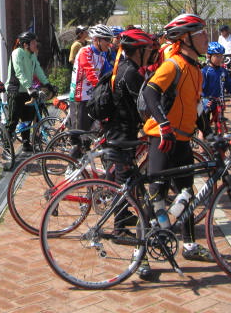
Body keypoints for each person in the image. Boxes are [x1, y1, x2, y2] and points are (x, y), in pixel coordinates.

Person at [142, 13, 215, 263]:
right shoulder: (172, 64)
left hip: (183, 140)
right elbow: (151, 91)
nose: (206, 38)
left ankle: (190, 245)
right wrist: (163, 124)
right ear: (185, 39)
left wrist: (211, 132)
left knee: (187, 193)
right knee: (155, 195)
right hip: (162, 139)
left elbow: (196, 106)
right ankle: (142, 253)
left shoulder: (195, 69)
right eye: (201, 34)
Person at [101, 28, 156, 280]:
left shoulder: (122, 67)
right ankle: (119, 227)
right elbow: (143, 105)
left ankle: (123, 221)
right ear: (139, 51)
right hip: (122, 136)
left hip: (120, 133)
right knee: (125, 183)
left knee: (125, 182)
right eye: (148, 50)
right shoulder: (130, 72)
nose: (151, 53)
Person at [68, 24, 114, 158]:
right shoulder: (85, 52)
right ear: (96, 39)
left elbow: (109, 74)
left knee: (89, 136)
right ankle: (71, 168)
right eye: (107, 40)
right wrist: (102, 90)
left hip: (92, 98)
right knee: (79, 138)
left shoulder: (102, 55)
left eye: (110, 40)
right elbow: (91, 73)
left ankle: (86, 160)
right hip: (79, 98)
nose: (109, 43)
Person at [6, 31, 53, 153]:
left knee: (27, 118)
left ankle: (26, 143)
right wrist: (30, 87)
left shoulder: (32, 55)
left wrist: (47, 84)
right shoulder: (17, 53)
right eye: (33, 42)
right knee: (13, 119)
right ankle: (6, 145)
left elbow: (38, 70)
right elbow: (19, 72)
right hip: (15, 89)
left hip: (28, 90)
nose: (36, 44)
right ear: (26, 44)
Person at [199, 42, 231, 137]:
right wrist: (204, 99)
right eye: (217, 56)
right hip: (206, 102)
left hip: (218, 102)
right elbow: (199, 89)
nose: (220, 58)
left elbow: (230, 85)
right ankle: (202, 150)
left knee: (220, 123)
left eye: (221, 56)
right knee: (204, 128)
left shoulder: (223, 71)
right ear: (209, 56)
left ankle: (219, 147)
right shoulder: (205, 72)